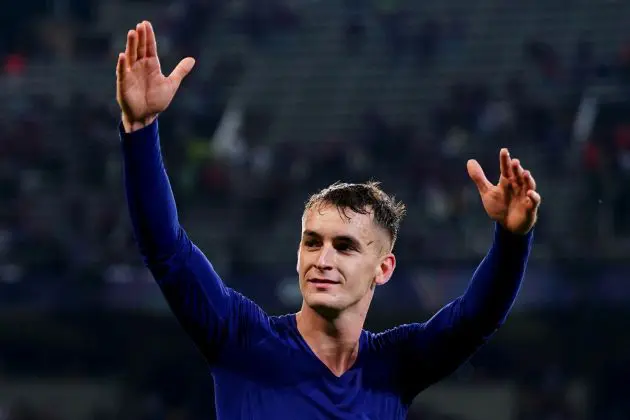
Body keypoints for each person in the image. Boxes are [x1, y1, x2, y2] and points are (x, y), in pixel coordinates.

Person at [117, 21, 541, 420]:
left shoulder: (395, 365)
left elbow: (476, 319)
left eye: (345, 246)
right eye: (312, 242)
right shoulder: (242, 341)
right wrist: (141, 130)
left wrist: (511, 237)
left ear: (384, 267)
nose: (322, 258)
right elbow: (167, 251)